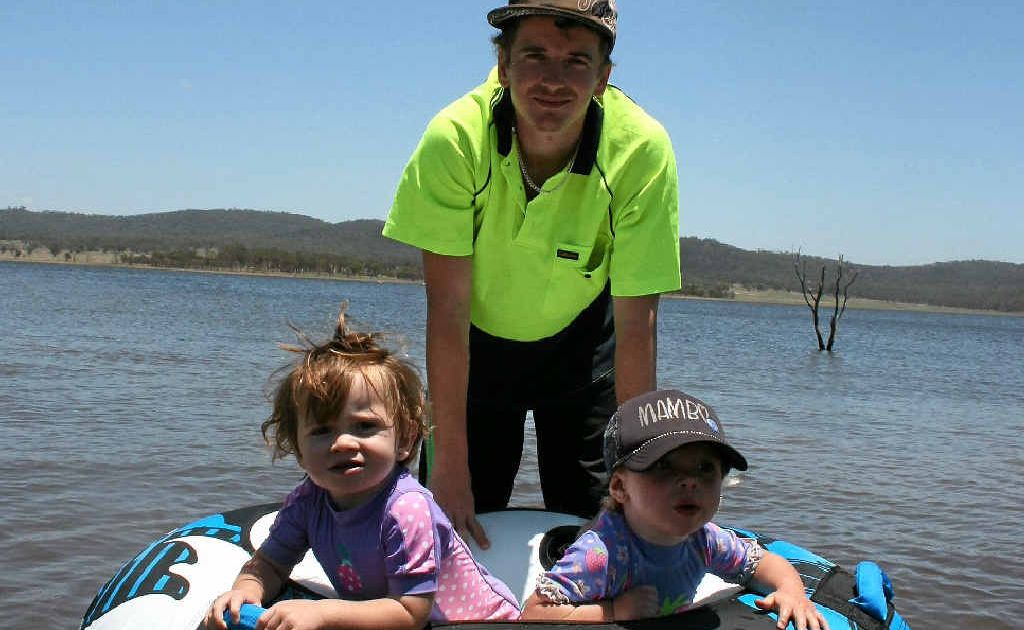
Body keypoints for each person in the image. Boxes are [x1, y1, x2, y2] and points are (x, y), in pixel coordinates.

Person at [382, 0, 681, 549]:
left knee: (609, 527)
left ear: (603, 77)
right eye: (535, 55)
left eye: (576, 61)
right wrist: (450, 467)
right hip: (475, 348)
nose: (553, 80)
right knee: (453, 527)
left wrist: (639, 469)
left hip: (585, 352)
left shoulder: (642, 149)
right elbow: (447, 313)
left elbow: (637, 327)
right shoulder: (454, 138)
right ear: (503, 64)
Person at [204, 306, 520, 630]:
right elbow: (270, 563)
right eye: (322, 430)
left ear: (405, 439)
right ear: (297, 450)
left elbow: (410, 612)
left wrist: (322, 613)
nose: (343, 442)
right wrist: (245, 592)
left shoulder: (407, 510)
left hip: (478, 623)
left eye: (365, 426)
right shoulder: (308, 502)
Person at [519, 389, 829, 630]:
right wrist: (613, 611)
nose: (690, 481)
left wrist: (792, 592)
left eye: (705, 468)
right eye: (663, 466)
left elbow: (763, 563)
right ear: (620, 487)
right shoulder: (602, 554)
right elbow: (533, 612)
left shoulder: (705, 540)